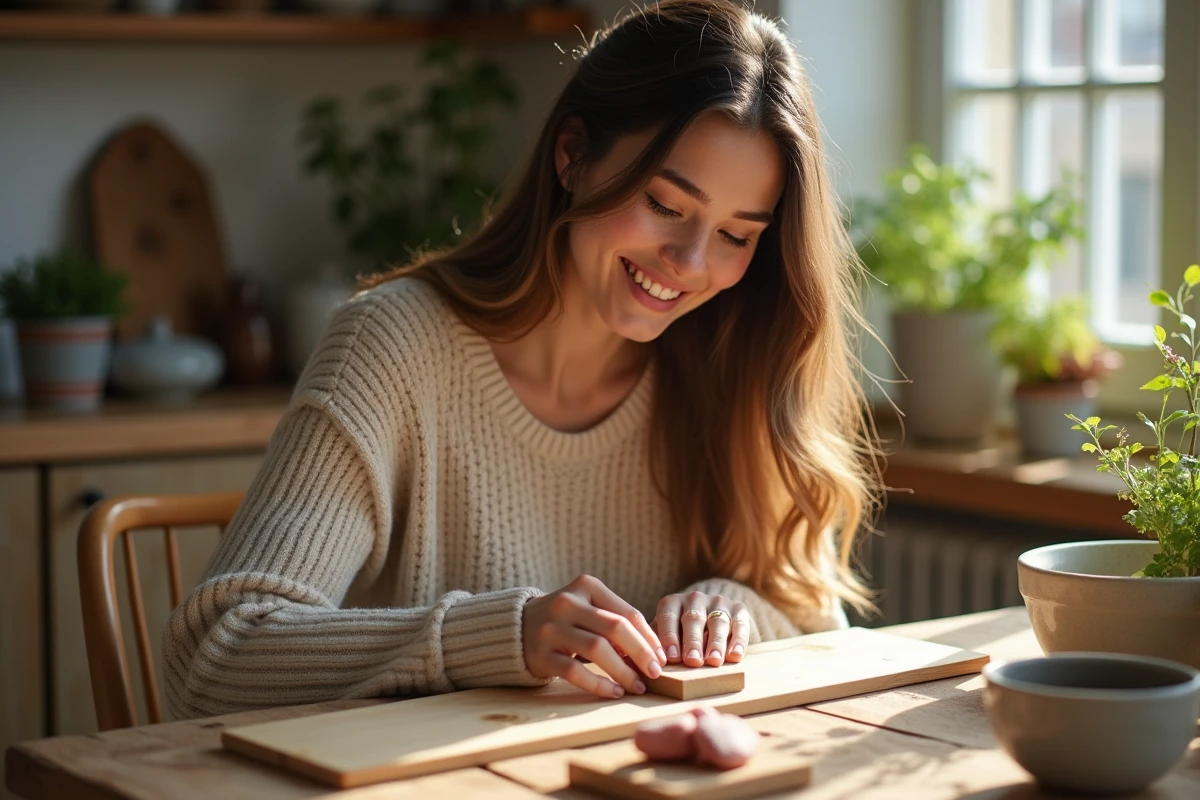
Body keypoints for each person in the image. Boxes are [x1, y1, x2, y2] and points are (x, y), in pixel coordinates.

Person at [163, 0, 883, 719]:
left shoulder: (730, 362)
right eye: (665, 205)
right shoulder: (391, 347)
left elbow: (824, 631)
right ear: (572, 155)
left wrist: (733, 609)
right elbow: (214, 655)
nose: (692, 263)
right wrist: (499, 636)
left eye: (736, 234)